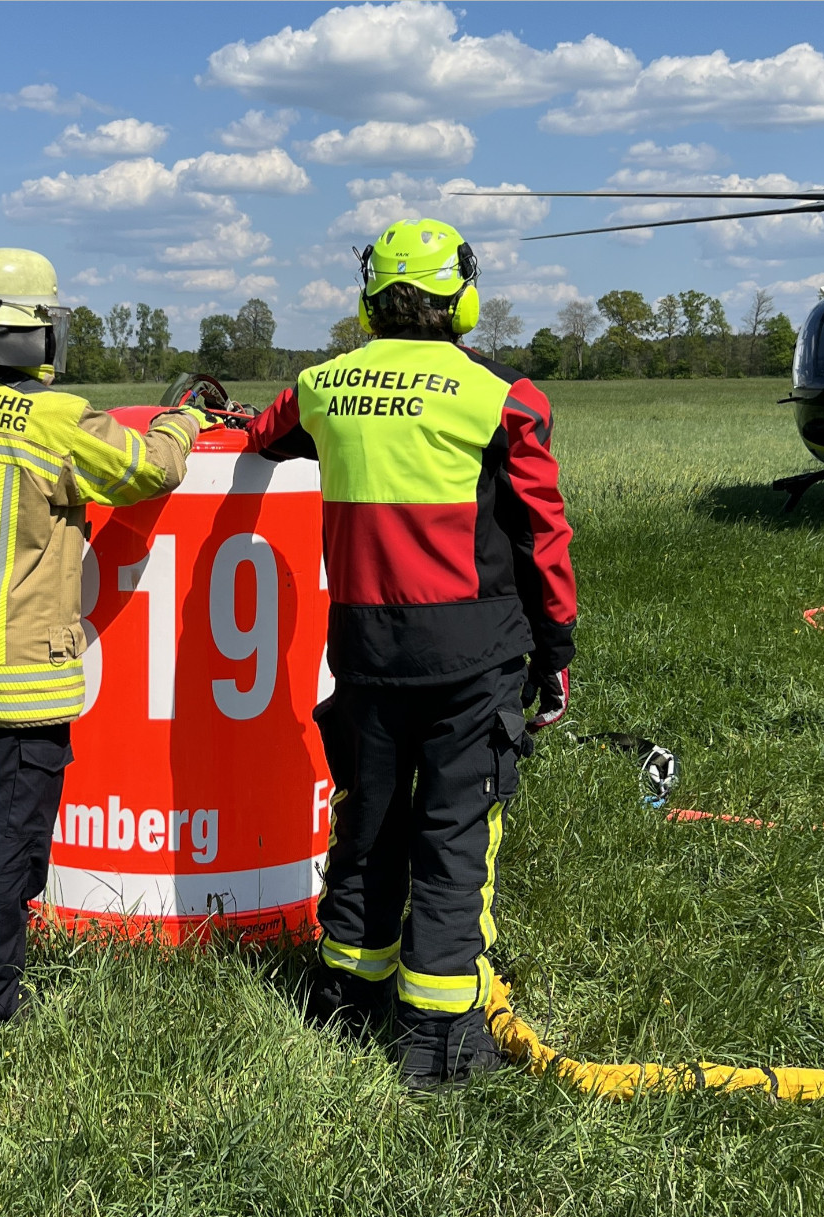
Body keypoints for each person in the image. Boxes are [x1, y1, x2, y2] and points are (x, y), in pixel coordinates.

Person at [244, 218, 577, 1086]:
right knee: (454, 834)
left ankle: (343, 998)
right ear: (460, 298)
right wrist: (555, 650)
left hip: (362, 650)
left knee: (367, 820)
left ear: (369, 301)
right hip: (475, 656)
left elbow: (264, 433)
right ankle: (437, 1036)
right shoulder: (506, 397)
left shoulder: (321, 386)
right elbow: (542, 538)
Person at [0, 247, 205, 1026]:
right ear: (38, 330)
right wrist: (183, 419)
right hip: (17, 679)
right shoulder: (53, 418)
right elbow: (148, 469)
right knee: (1, 844)